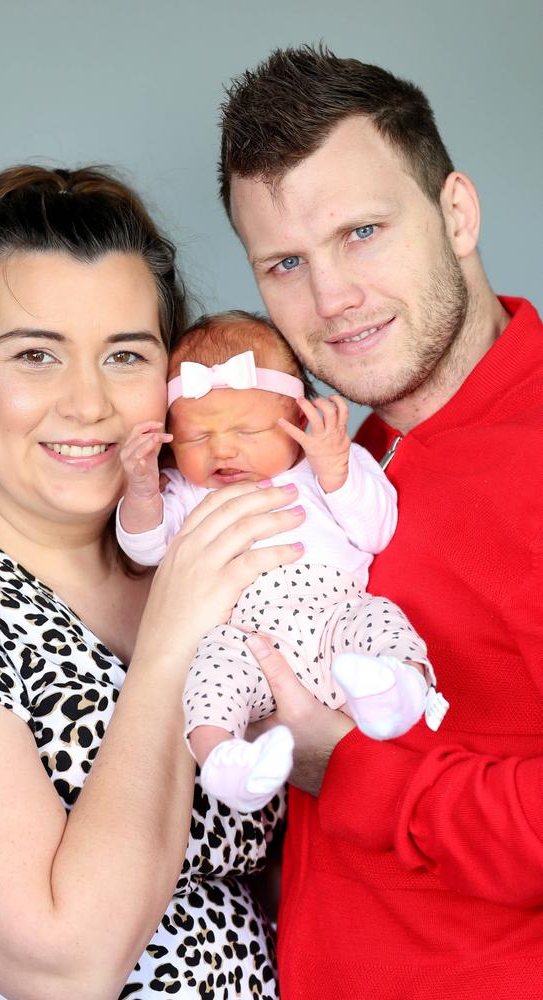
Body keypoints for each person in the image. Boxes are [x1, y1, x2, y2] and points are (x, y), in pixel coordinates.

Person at [0, 165, 306, 999]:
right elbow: (63, 965)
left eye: (124, 355)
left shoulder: (190, 542)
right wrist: (164, 651)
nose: (88, 404)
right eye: (36, 356)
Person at [218, 43, 543, 999]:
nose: (330, 302)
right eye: (284, 262)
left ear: (457, 212)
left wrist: (346, 771)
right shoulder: (335, 467)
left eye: (362, 232)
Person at [116, 310, 446, 814]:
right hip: (243, 642)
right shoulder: (183, 492)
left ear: (297, 420)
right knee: (208, 680)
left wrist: (336, 471)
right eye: (197, 438)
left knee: (379, 619)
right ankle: (226, 761)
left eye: (246, 431)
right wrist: (141, 491)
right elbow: (146, 546)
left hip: (334, 615)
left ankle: (393, 691)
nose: (222, 449)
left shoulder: (325, 467)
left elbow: (376, 530)